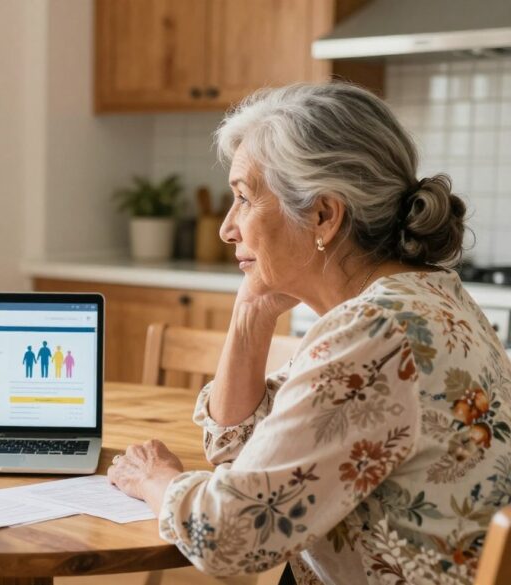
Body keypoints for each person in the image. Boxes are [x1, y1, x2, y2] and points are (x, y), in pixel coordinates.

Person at [108, 82, 511, 585]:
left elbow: (229, 538)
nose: (226, 228)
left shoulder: (373, 333)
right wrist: (250, 316)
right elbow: (246, 455)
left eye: (243, 199)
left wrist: (154, 480)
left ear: (323, 214)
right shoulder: (425, 296)